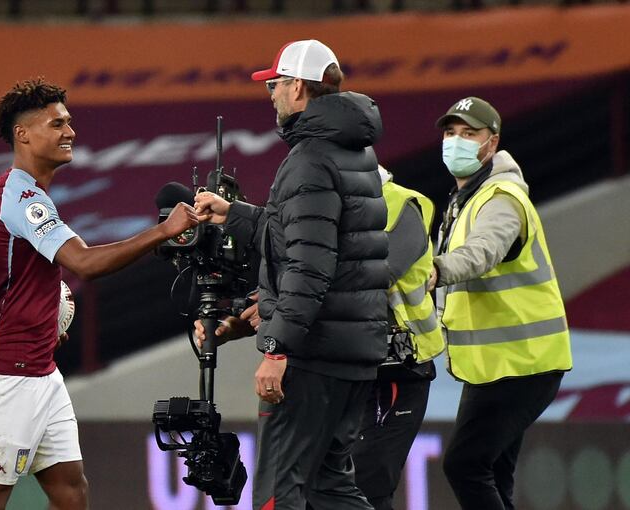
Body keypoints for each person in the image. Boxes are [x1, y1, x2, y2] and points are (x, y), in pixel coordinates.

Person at [0, 78, 198, 510]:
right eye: (57, 123)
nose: (70, 132)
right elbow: (84, 263)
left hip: (40, 371)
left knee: (71, 491)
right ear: (23, 134)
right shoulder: (25, 199)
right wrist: (164, 231)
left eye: (70, 122)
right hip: (9, 374)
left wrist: (37, 322)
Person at [194, 39, 389, 510]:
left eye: (277, 84)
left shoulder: (310, 158)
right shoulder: (352, 151)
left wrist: (277, 348)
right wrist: (233, 214)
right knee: (329, 488)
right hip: (350, 351)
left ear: (299, 87)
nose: (273, 95)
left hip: (312, 355)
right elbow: (306, 237)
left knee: (278, 493)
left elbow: (308, 265)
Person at [428, 96, 572, 510]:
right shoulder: (465, 199)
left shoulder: (502, 198)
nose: (456, 141)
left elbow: (482, 252)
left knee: (464, 465)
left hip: (525, 361)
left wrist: (436, 269)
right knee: (492, 472)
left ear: (492, 144)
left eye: (469, 134)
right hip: (498, 363)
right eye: (450, 133)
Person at [350, 166, 445, 510]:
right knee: (333, 486)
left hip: (398, 368)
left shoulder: (402, 205)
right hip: (348, 367)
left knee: (368, 485)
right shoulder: (327, 209)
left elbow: (379, 274)